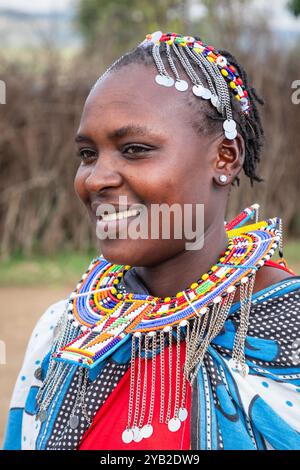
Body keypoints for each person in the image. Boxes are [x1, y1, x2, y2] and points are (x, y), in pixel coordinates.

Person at [3, 31, 300, 451]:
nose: (97, 179)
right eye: (88, 154)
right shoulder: (61, 332)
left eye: (135, 149)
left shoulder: (290, 331)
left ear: (225, 158)